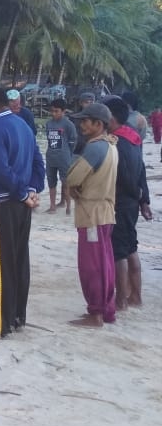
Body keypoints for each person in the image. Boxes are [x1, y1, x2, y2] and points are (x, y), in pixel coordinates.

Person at [0, 84, 45, 337]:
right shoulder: (23, 125)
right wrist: (32, 190)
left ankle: (0, 323)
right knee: (17, 260)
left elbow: (1, 169)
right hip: (21, 206)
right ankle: (16, 316)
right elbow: (38, 162)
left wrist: (23, 192)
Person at [65, 103, 119, 327]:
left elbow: (73, 177)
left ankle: (96, 313)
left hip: (92, 214)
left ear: (98, 124)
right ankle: (107, 310)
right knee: (105, 263)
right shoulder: (111, 145)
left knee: (92, 266)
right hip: (105, 213)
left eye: (85, 121)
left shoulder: (95, 148)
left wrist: (73, 186)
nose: (82, 125)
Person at [101, 97, 152, 310]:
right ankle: (136, 296)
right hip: (132, 202)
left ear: (110, 118)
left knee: (118, 252)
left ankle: (121, 299)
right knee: (131, 247)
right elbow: (141, 169)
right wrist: (143, 199)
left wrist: (136, 193)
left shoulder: (115, 142)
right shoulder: (133, 136)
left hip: (120, 201)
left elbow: (123, 175)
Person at [44, 98, 77, 214]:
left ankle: (68, 206)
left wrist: (68, 153)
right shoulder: (49, 124)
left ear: (63, 111)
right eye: (52, 111)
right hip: (51, 157)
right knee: (51, 181)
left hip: (64, 158)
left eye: (56, 111)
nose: (54, 113)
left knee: (66, 182)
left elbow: (73, 141)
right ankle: (52, 206)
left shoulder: (68, 124)